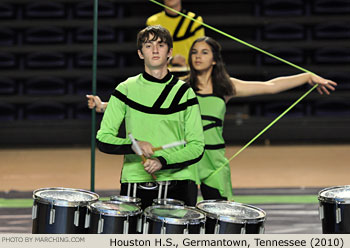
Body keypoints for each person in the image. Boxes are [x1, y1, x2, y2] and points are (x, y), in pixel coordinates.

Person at [88, 36, 337, 201]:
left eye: (204, 52)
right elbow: (141, 104)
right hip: (186, 159)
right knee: (185, 215)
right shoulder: (181, 88)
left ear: (215, 59)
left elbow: (270, 86)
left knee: (220, 211)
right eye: (194, 52)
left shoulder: (226, 87)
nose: (197, 56)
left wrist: (307, 77)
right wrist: (103, 106)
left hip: (215, 159)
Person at [95, 25, 204, 209]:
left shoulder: (185, 93)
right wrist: (133, 145)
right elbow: (103, 139)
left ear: (169, 52)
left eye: (160, 45)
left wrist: (162, 161)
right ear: (140, 53)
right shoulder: (125, 89)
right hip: (135, 180)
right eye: (148, 45)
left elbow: (197, 146)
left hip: (180, 182)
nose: (154, 50)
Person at [147, 0, 204, 67]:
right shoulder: (152, 22)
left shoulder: (195, 20)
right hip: (162, 73)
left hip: (190, 73)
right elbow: (149, 53)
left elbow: (201, 51)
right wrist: (171, 60)